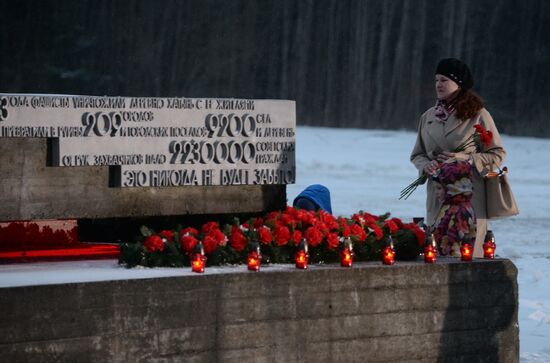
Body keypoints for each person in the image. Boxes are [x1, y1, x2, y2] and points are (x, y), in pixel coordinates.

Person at [410, 58, 506, 258]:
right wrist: (426, 166)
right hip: (437, 197)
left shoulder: (478, 115)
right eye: (436, 80)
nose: (438, 84)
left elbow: (497, 154)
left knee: (467, 257)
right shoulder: (428, 117)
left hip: (468, 199)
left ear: (459, 84)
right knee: (437, 254)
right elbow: (417, 154)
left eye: (444, 80)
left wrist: (464, 159)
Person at [431, 160, 476, 257]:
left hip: (452, 266)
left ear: (453, 188)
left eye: (439, 188)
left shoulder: (460, 211)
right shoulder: (449, 205)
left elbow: (455, 247)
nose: (436, 192)